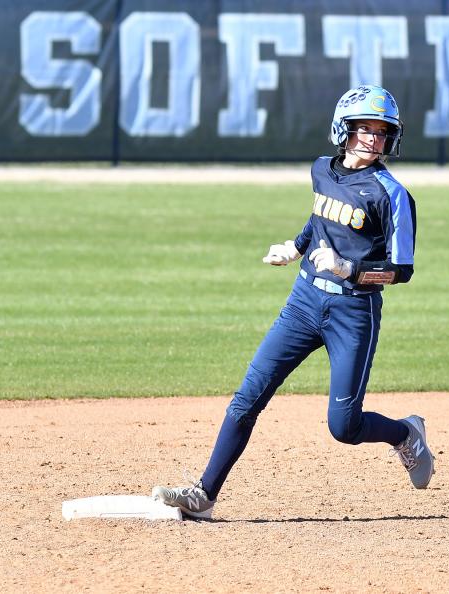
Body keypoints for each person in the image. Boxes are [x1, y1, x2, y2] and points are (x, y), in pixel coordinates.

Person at [152, 85, 434, 519]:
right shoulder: (322, 169)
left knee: (344, 426)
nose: (373, 139)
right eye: (364, 128)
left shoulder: (391, 194)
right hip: (303, 302)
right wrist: (297, 246)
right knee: (247, 398)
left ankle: (404, 434)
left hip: (352, 312)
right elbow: (321, 217)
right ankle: (203, 495)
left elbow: (401, 270)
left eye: (381, 131)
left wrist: (350, 269)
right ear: (343, 129)